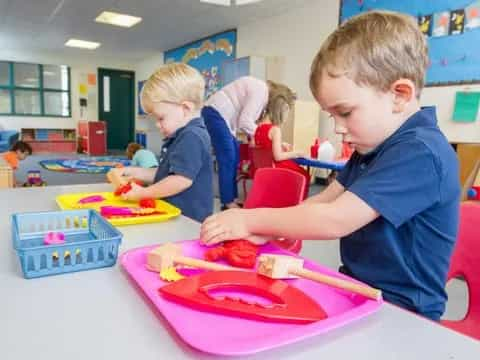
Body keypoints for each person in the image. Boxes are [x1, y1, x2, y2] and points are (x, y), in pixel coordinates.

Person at [200, 11, 461, 320]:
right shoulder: (373, 147)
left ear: (399, 95)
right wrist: (269, 229)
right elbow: (322, 201)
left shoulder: (421, 151)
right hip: (356, 289)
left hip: (403, 311)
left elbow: (335, 219)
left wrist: (252, 219)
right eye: (331, 115)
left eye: (345, 112)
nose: (337, 128)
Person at [110, 63, 213, 222]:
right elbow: (164, 174)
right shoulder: (181, 135)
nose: (157, 125)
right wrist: (133, 171)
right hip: (174, 213)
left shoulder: (192, 136)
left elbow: (180, 180)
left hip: (187, 220)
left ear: (185, 108)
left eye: (161, 118)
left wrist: (144, 193)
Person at [202, 76, 294, 210]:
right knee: (228, 157)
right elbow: (245, 122)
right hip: (216, 113)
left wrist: (276, 142)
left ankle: (230, 199)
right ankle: (228, 201)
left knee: (234, 158)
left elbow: (249, 125)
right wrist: (269, 137)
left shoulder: (261, 94)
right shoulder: (261, 91)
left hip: (223, 118)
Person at [254, 85, 310, 198]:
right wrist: (297, 153)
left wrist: (279, 144)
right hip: (276, 167)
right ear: (281, 109)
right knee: (305, 175)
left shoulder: (259, 127)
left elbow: (264, 147)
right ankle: (296, 205)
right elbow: (278, 156)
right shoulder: (275, 130)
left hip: (264, 169)